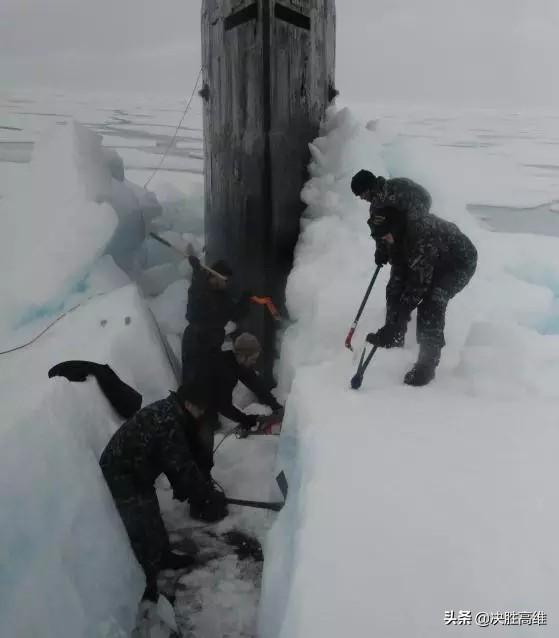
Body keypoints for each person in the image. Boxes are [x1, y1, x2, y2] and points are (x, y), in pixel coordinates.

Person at [99, 382, 228, 602]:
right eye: (200, 408)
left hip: (138, 469)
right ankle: (147, 586)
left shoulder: (172, 412)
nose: (202, 413)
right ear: (188, 404)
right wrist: (205, 493)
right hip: (121, 472)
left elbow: (174, 461)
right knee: (140, 527)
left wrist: (193, 487)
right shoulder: (168, 423)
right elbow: (181, 467)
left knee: (152, 516)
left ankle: (164, 557)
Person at [350, 169, 478, 386]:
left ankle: (427, 365)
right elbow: (385, 233)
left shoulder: (420, 235)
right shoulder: (387, 222)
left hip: (457, 262)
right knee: (395, 286)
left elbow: (419, 284)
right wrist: (383, 249)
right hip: (421, 250)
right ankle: (394, 335)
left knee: (432, 301)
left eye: (386, 237)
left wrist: (403, 309)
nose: (384, 239)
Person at [181, 256, 251, 386]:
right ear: (215, 276)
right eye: (225, 279)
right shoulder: (201, 289)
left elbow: (235, 314)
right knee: (193, 382)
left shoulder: (223, 297)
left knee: (209, 383)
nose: (227, 283)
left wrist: (245, 300)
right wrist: (197, 271)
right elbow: (196, 297)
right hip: (196, 342)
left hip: (212, 345)